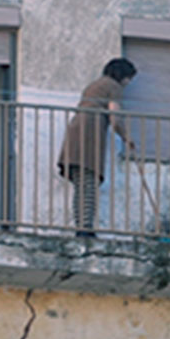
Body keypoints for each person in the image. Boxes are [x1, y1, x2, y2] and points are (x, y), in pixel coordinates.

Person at [57, 58, 137, 236]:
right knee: (89, 182)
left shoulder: (94, 85)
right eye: (129, 78)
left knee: (81, 184)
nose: (128, 82)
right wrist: (127, 138)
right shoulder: (113, 87)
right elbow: (115, 118)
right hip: (90, 131)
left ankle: (81, 226)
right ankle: (85, 229)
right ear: (122, 75)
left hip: (76, 129)